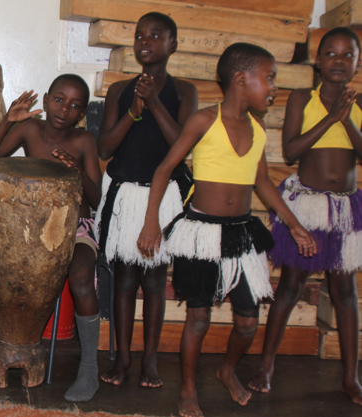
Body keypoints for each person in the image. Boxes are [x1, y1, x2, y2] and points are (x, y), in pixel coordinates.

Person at [136, 43, 317, 417]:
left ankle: (226, 369)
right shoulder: (205, 121)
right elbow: (163, 169)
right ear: (240, 79)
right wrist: (151, 221)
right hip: (202, 232)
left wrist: (295, 224)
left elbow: (263, 183)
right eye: (269, 78)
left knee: (249, 322)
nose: (273, 87)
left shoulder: (257, 128)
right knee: (198, 317)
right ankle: (187, 388)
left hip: (242, 234)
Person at [0, 74, 102, 402]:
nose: (64, 109)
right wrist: (7, 121)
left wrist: (77, 173)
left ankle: (89, 370)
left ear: (81, 114)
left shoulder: (84, 141)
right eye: (59, 99)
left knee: (81, 277)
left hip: (72, 229)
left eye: (75, 105)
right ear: (47, 98)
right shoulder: (29, 129)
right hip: (24, 230)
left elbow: (94, 197)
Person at [248, 27, 362, 406]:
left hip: (344, 208)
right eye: (332, 53)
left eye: (349, 55)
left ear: (358, 63)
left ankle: (350, 376)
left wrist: (346, 118)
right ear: (318, 59)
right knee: (291, 285)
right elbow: (293, 150)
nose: (340, 61)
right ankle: (266, 365)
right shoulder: (302, 98)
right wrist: (331, 118)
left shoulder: (359, 103)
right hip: (308, 203)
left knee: (345, 291)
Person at [96, 11, 198, 388]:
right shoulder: (121, 90)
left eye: (156, 36)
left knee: (154, 280)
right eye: (140, 35)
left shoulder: (183, 91)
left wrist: (155, 103)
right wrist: (133, 113)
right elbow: (104, 147)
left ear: (173, 44)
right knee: (124, 279)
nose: (145, 41)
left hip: (163, 197)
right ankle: (123, 358)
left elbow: (180, 145)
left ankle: (150, 361)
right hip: (125, 194)